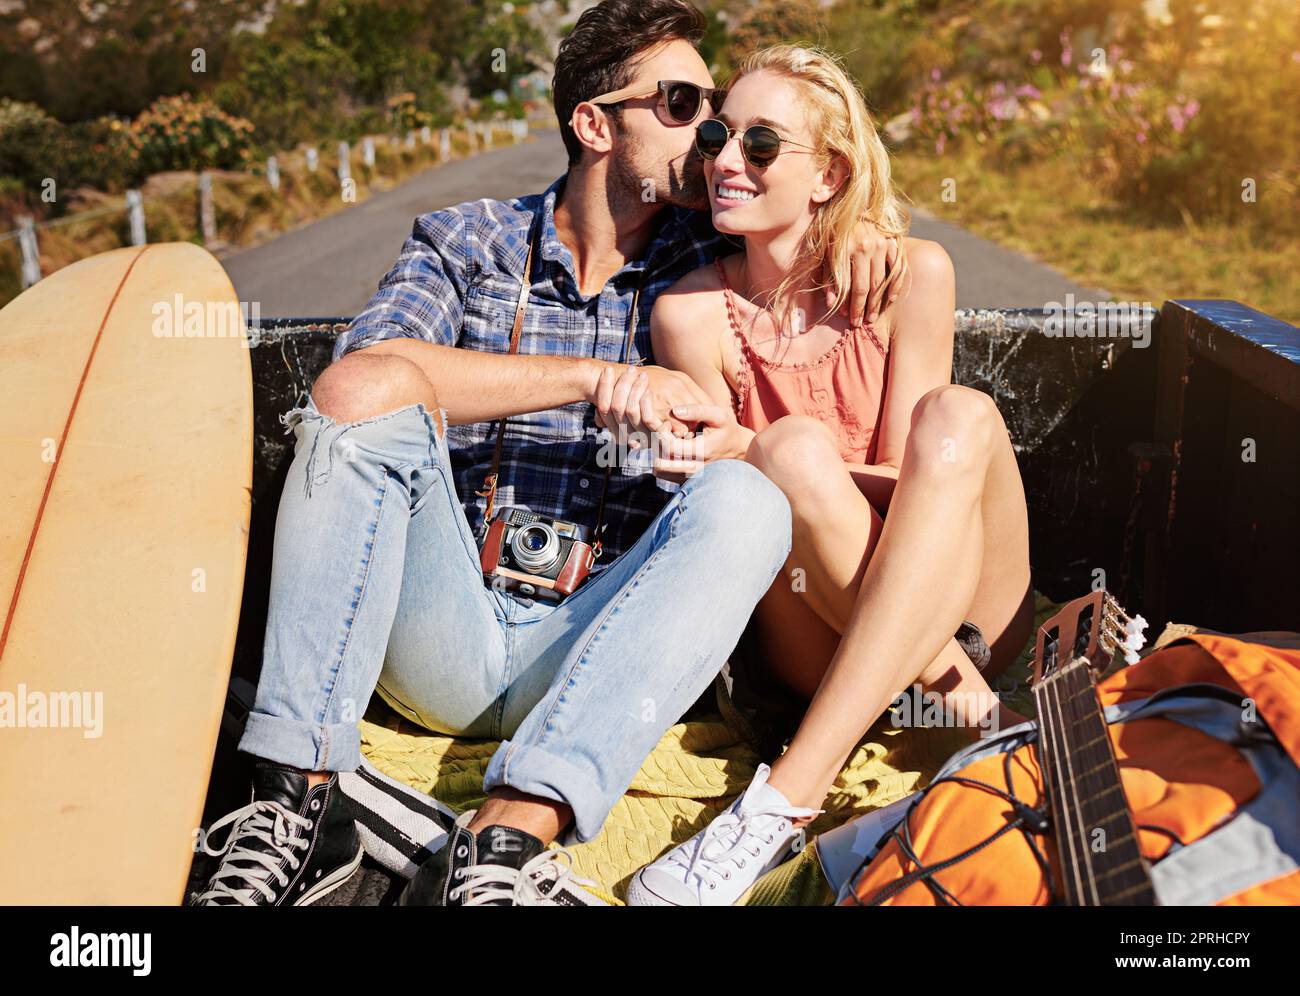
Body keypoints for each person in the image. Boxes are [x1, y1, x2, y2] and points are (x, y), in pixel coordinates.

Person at [192, 2, 899, 907]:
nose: (715, 137)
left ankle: (503, 844)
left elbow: (812, 210)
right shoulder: (466, 241)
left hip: (603, 641)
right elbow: (365, 375)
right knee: (358, 399)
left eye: (717, 110)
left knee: (748, 498)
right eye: (682, 104)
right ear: (595, 123)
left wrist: (860, 231)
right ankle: (298, 804)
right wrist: (586, 377)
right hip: (440, 625)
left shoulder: (713, 258)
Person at [619, 45, 1035, 906]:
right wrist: (763, 458)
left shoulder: (912, 275)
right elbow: (727, 504)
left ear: (828, 174)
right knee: (789, 451)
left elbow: (921, 480)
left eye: (762, 145)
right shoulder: (690, 313)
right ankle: (964, 716)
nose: (727, 161)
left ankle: (778, 800)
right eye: (718, 137)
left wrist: (755, 450)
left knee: (958, 416)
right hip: (816, 628)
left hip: (963, 604)